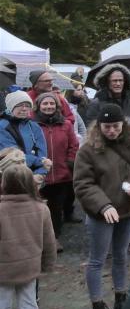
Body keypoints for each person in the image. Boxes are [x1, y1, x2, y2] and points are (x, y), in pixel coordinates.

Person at [74, 103, 130, 309]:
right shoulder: (88, 149)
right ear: (99, 126)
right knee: (97, 260)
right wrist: (103, 205)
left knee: (122, 255)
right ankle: (97, 306)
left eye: (115, 126)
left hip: (128, 210)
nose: (111, 131)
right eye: (106, 127)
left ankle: (121, 296)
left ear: (123, 125)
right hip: (101, 213)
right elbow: (83, 183)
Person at [0, 165, 56, 309]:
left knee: (2, 307)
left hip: (2, 270)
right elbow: (49, 241)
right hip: (29, 268)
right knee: (29, 304)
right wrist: (48, 264)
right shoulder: (41, 209)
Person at [34, 93, 79, 252]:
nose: (48, 106)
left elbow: (74, 145)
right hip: (39, 176)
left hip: (61, 175)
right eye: (45, 104)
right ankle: (39, 241)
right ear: (38, 106)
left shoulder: (66, 124)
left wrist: (69, 162)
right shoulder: (33, 125)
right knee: (38, 210)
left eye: (51, 104)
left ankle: (54, 239)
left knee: (56, 209)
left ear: (57, 106)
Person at [0, 91, 50, 181]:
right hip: (10, 177)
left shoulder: (34, 126)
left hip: (34, 178)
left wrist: (40, 174)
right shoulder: (2, 126)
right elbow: (14, 156)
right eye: (20, 105)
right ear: (11, 107)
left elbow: (42, 153)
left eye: (27, 106)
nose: (24, 109)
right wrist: (41, 162)